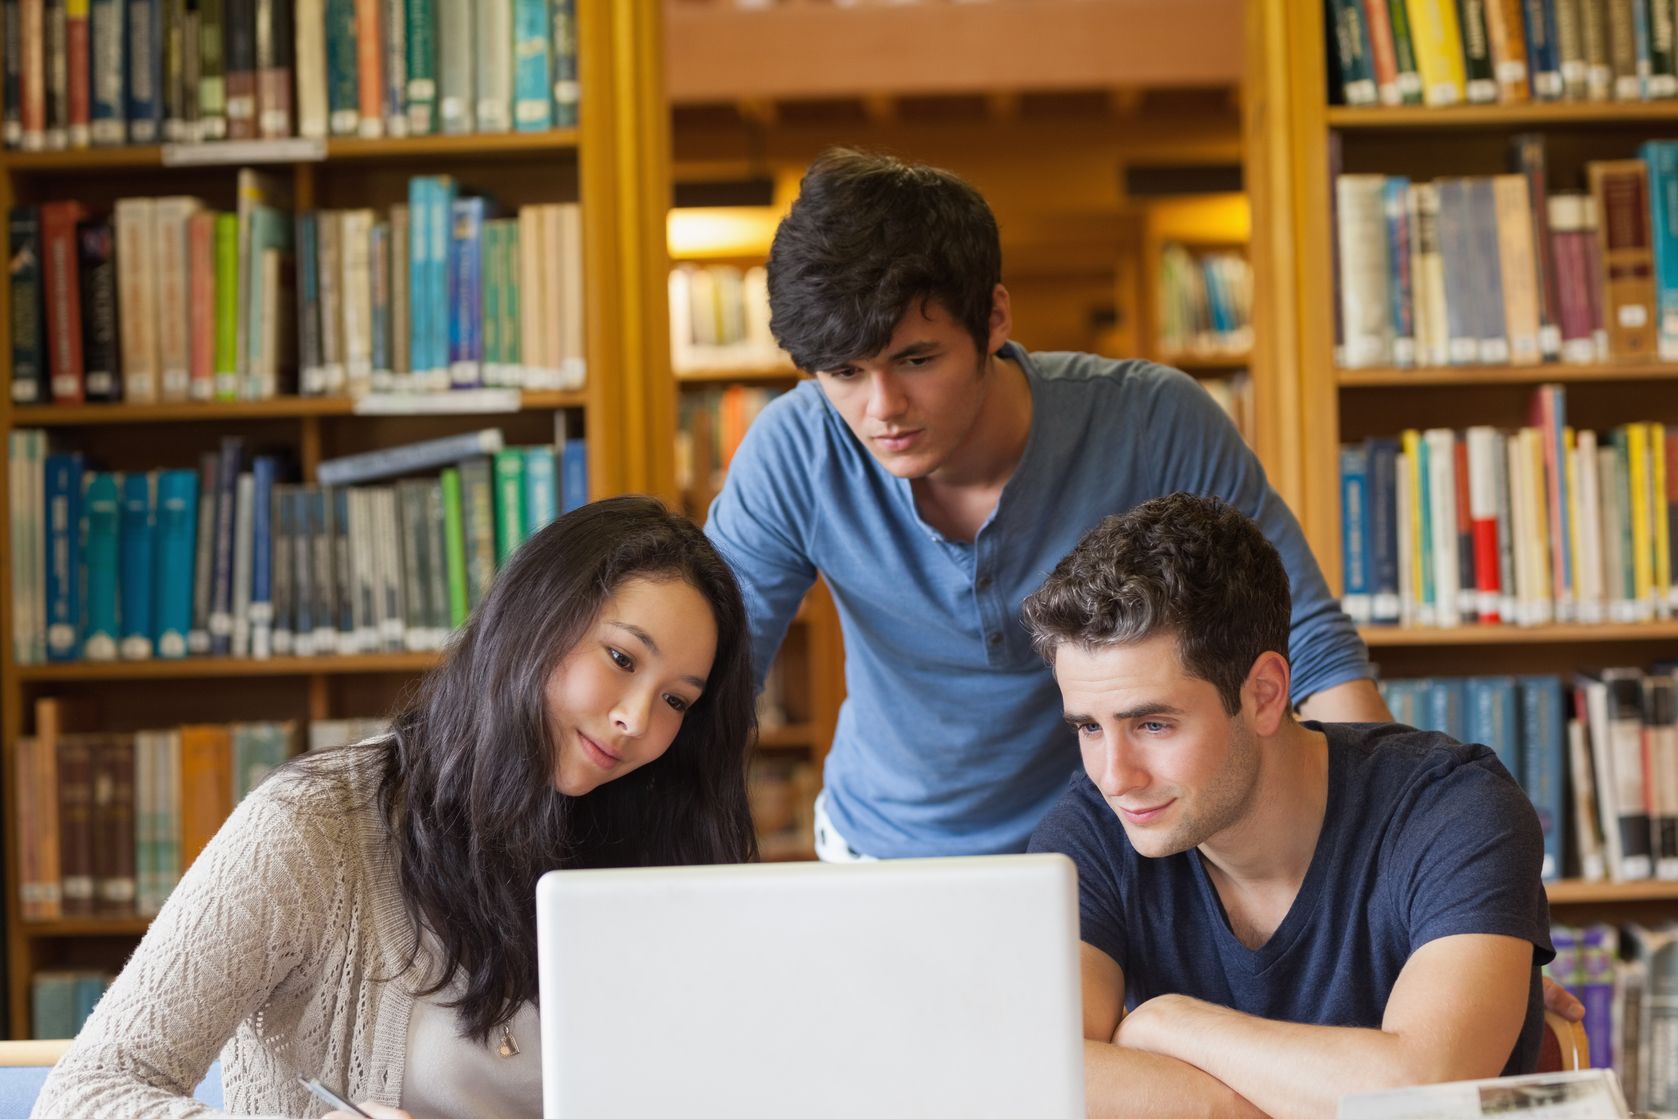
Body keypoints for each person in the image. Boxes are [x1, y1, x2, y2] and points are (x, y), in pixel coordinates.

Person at [704, 146, 1390, 865]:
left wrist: (1386, 858)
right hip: (879, 850)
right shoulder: (793, 448)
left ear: (995, 318)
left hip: (1110, 849)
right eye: (844, 373)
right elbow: (713, 676)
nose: (882, 409)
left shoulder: (1153, 421)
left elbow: (1304, 644)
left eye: (916, 359)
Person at [34, 496, 759, 1119]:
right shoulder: (313, 828)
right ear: (533, 621)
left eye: (676, 700)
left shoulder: (659, 850)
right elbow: (83, 1095)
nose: (637, 718)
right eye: (623, 658)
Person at [1022, 493, 1553, 1119]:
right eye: (1088, 728)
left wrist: (1168, 1024)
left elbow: (1423, 1091)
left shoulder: (1455, 810)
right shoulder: (1090, 832)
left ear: (1265, 694)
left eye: (1153, 725)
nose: (1115, 777)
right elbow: (1036, 1073)